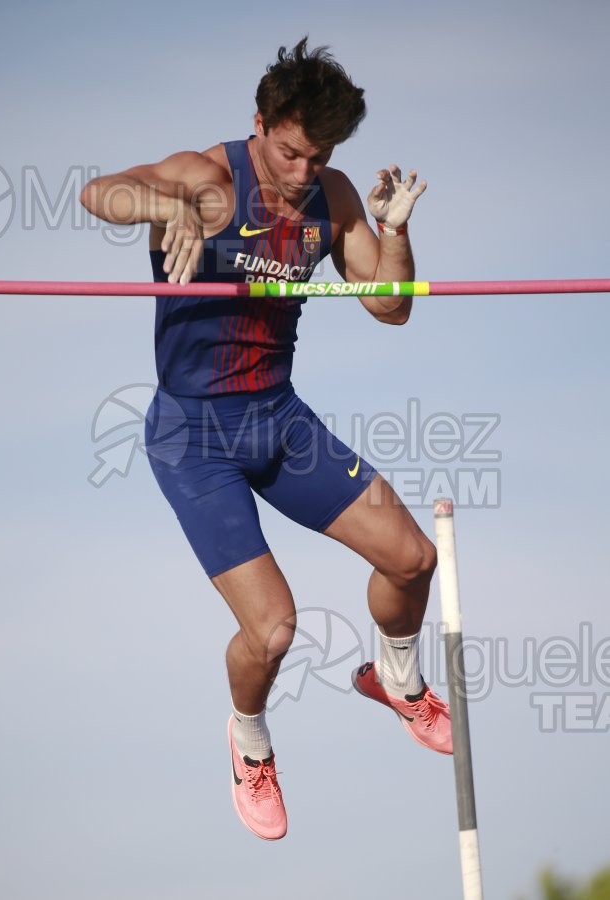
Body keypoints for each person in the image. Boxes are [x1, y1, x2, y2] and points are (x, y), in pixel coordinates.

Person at [80, 37, 452, 843]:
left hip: (279, 422)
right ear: (259, 124)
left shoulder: (332, 194)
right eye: (287, 152)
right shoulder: (208, 177)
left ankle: (393, 679)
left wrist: (390, 231)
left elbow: (389, 306)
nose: (298, 173)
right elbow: (96, 194)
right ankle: (249, 746)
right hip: (194, 438)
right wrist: (168, 208)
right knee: (274, 631)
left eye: (315, 158)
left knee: (413, 559)